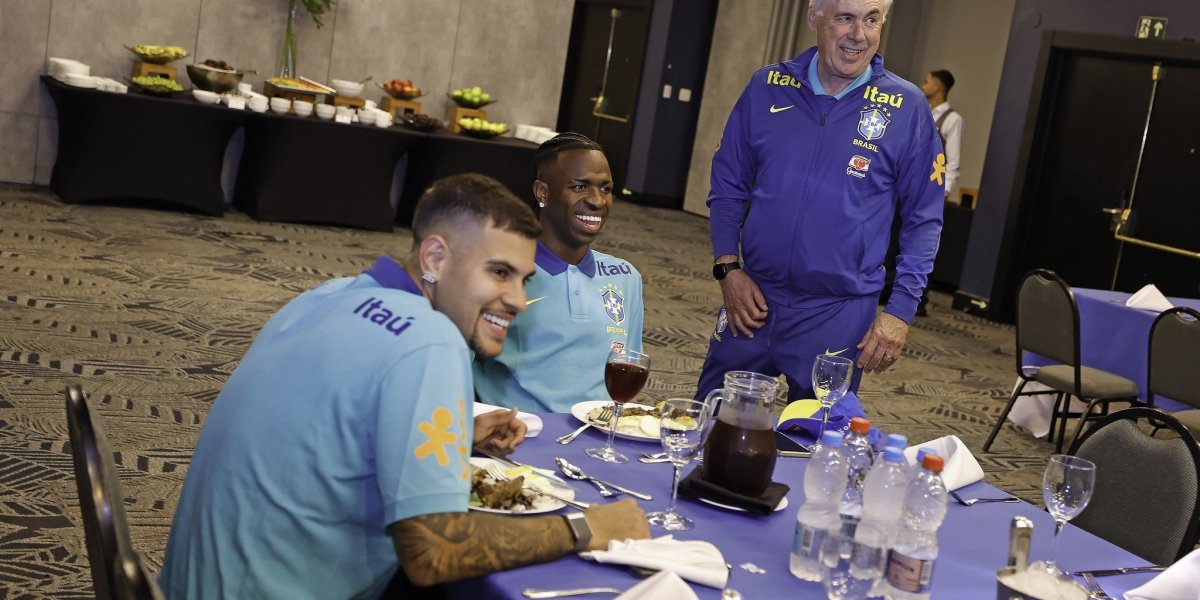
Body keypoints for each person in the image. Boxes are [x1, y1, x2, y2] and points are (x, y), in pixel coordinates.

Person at [159, 174, 649, 599]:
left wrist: (455, 433)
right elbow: (433, 552)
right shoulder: (431, 339)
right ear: (434, 256)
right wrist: (586, 527)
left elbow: (328, 421)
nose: (519, 301)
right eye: (499, 272)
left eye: (524, 279)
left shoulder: (328, 295)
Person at [696, 0, 944, 415]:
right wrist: (727, 267)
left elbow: (924, 220)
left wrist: (900, 311)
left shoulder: (908, 107)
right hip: (752, 299)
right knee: (710, 422)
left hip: (839, 313)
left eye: (872, 20)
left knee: (812, 444)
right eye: (845, 18)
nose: (858, 35)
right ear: (814, 18)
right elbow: (728, 184)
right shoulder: (767, 86)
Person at [474, 133, 644, 413]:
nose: (597, 201)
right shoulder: (497, 271)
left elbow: (628, 368)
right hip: (516, 432)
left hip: (594, 432)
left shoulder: (626, 277)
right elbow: (454, 364)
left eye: (606, 188)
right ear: (542, 192)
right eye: (579, 187)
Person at [922, 69, 961, 200]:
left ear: (937, 87)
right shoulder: (922, 112)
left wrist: (944, 192)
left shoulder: (953, 119)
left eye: (927, 82)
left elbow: (953, 162)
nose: (923, 86)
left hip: (930, 188)